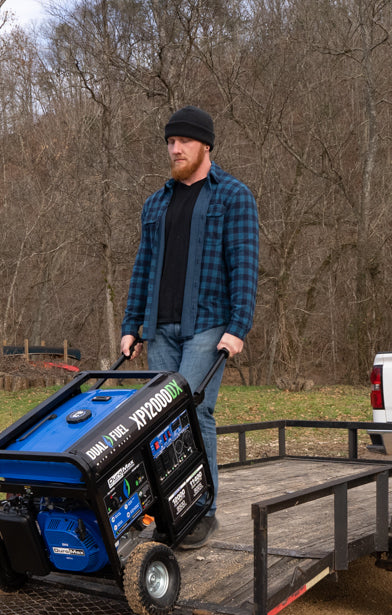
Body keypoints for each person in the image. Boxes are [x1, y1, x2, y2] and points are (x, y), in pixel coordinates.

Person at [120, 105, 260, 550]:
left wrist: (238, 327)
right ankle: (169, 509)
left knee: (195, 413)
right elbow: (142, 268)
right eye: (170, 141)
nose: (174, 149)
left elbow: (244, 266)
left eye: (183, 141)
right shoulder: (156, 203)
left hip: (209, 325)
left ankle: (202, 510)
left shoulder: (233, 196)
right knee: (160, 421)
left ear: (206, 146)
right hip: (159, 327)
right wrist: (131, 325)